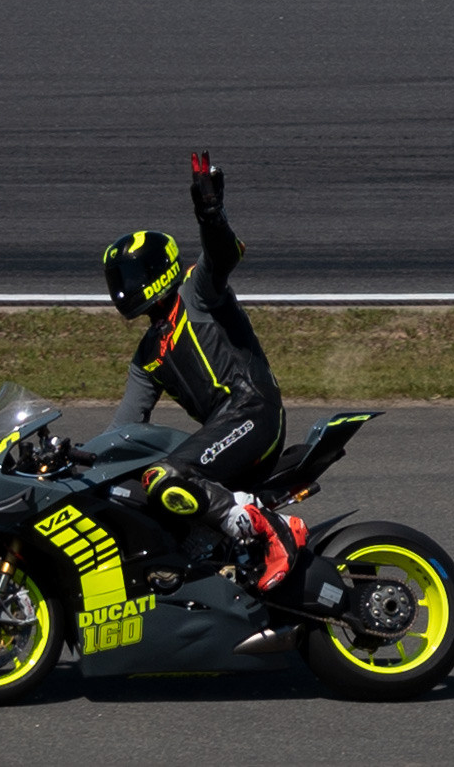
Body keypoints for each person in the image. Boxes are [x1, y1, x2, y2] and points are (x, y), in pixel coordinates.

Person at [100, 153, 306, 590]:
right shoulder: (147, 356)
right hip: (225, 433)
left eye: (133, 272)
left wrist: (210, 210)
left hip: (254, 412)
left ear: (158, 268)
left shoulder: (197, 291)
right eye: (119, 276)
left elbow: (223, 252)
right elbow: (122, 431)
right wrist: (78, 460)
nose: (126, 284)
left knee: (166, 476)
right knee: (134, 494)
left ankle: (275, 531)